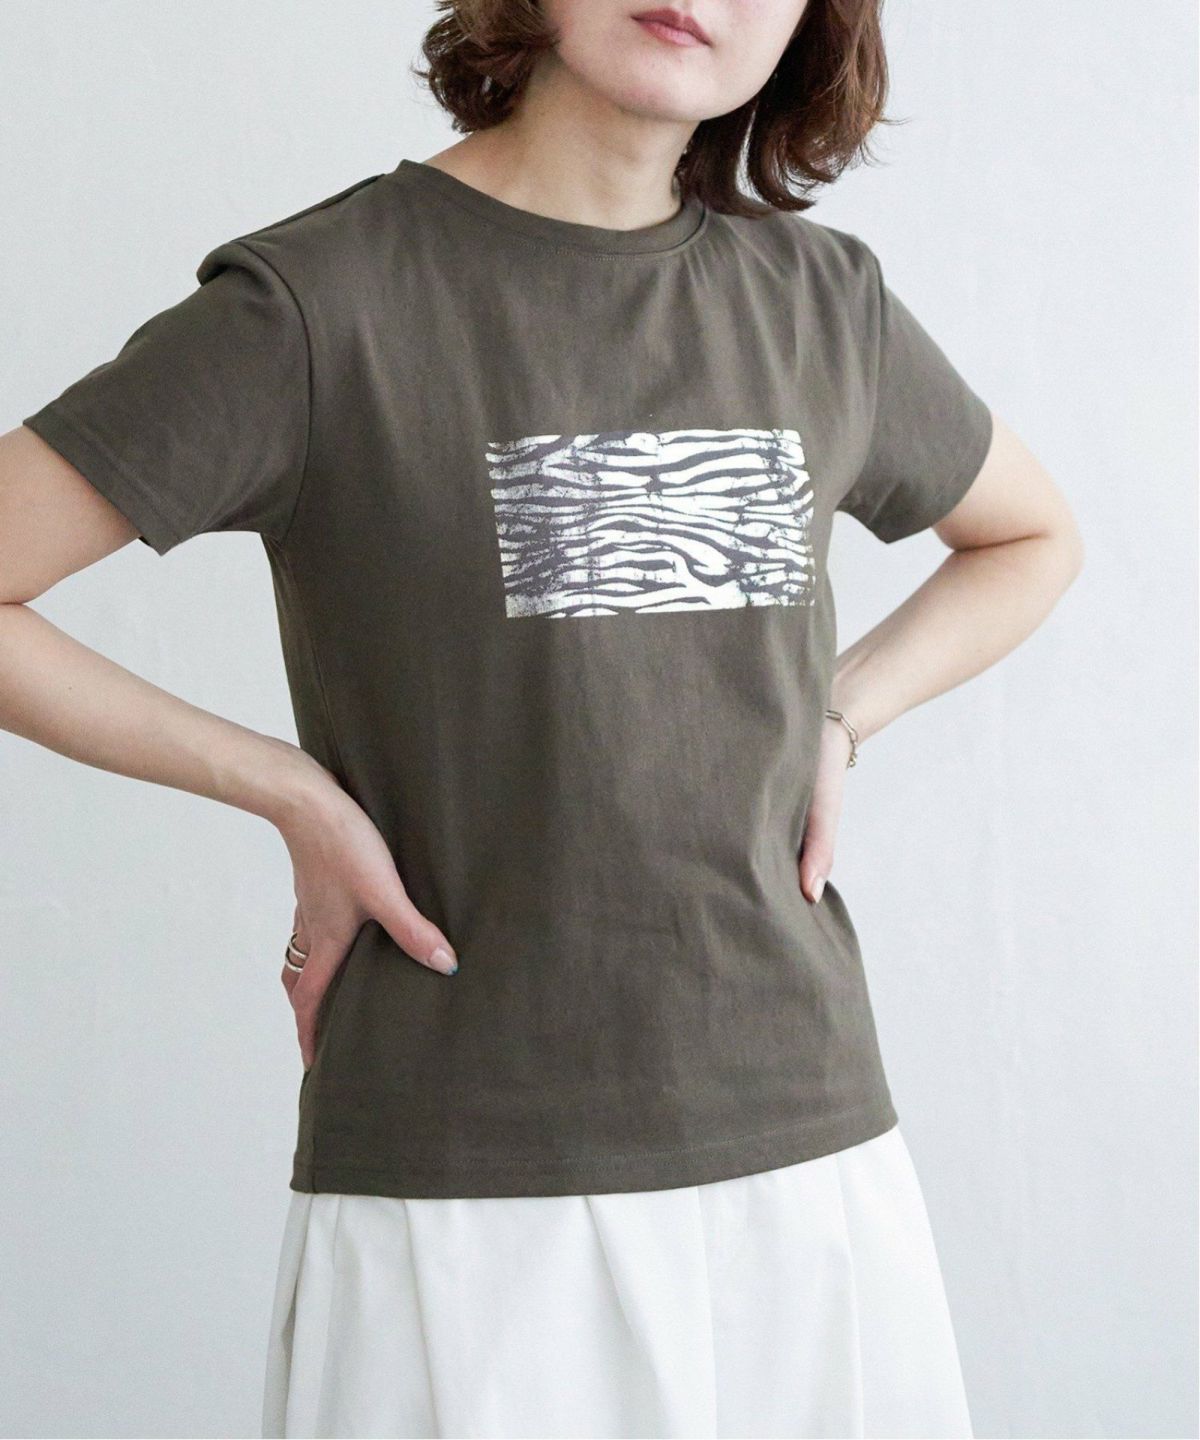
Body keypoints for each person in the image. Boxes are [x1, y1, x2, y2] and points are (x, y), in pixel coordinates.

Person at [1, 0, 1085, 1435]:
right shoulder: (320, 304)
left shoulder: (825, 303)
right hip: (465, 1194)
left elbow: (1031, 539)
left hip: (807, 1162)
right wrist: (290, 791)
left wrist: (842, 715)